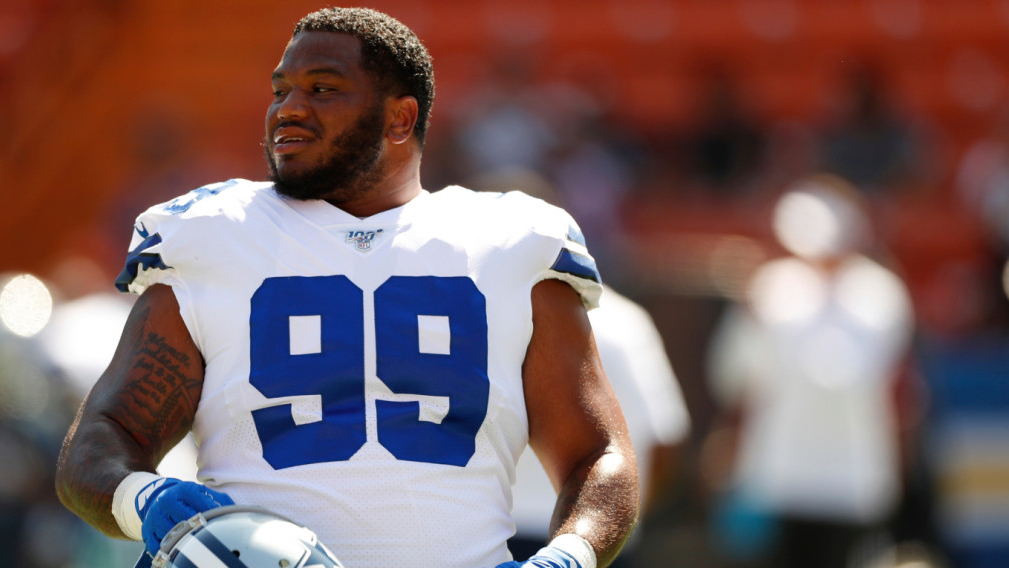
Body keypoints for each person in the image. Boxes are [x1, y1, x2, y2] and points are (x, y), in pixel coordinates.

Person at [55, 7, 639, 568]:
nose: (288, 109)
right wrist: (144, 500)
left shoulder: (513, 242)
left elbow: (598, 454)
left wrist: (570, 555)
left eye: (323, 89)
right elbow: (100, 443)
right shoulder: (210, 235)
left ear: (400, 118)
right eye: (281, 90)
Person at [706, 174, 914, 568]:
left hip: (854, 479)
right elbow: (734, 377)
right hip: (780, 476)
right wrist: (750, 318)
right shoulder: (770, 286)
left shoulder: (881, 292)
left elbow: (859, 374)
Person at [511, 285, 690, 563]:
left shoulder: (490, 308)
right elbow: (663, 441)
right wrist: (621, 519)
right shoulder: (625, 323)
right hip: (592, 543)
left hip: (499, 531)